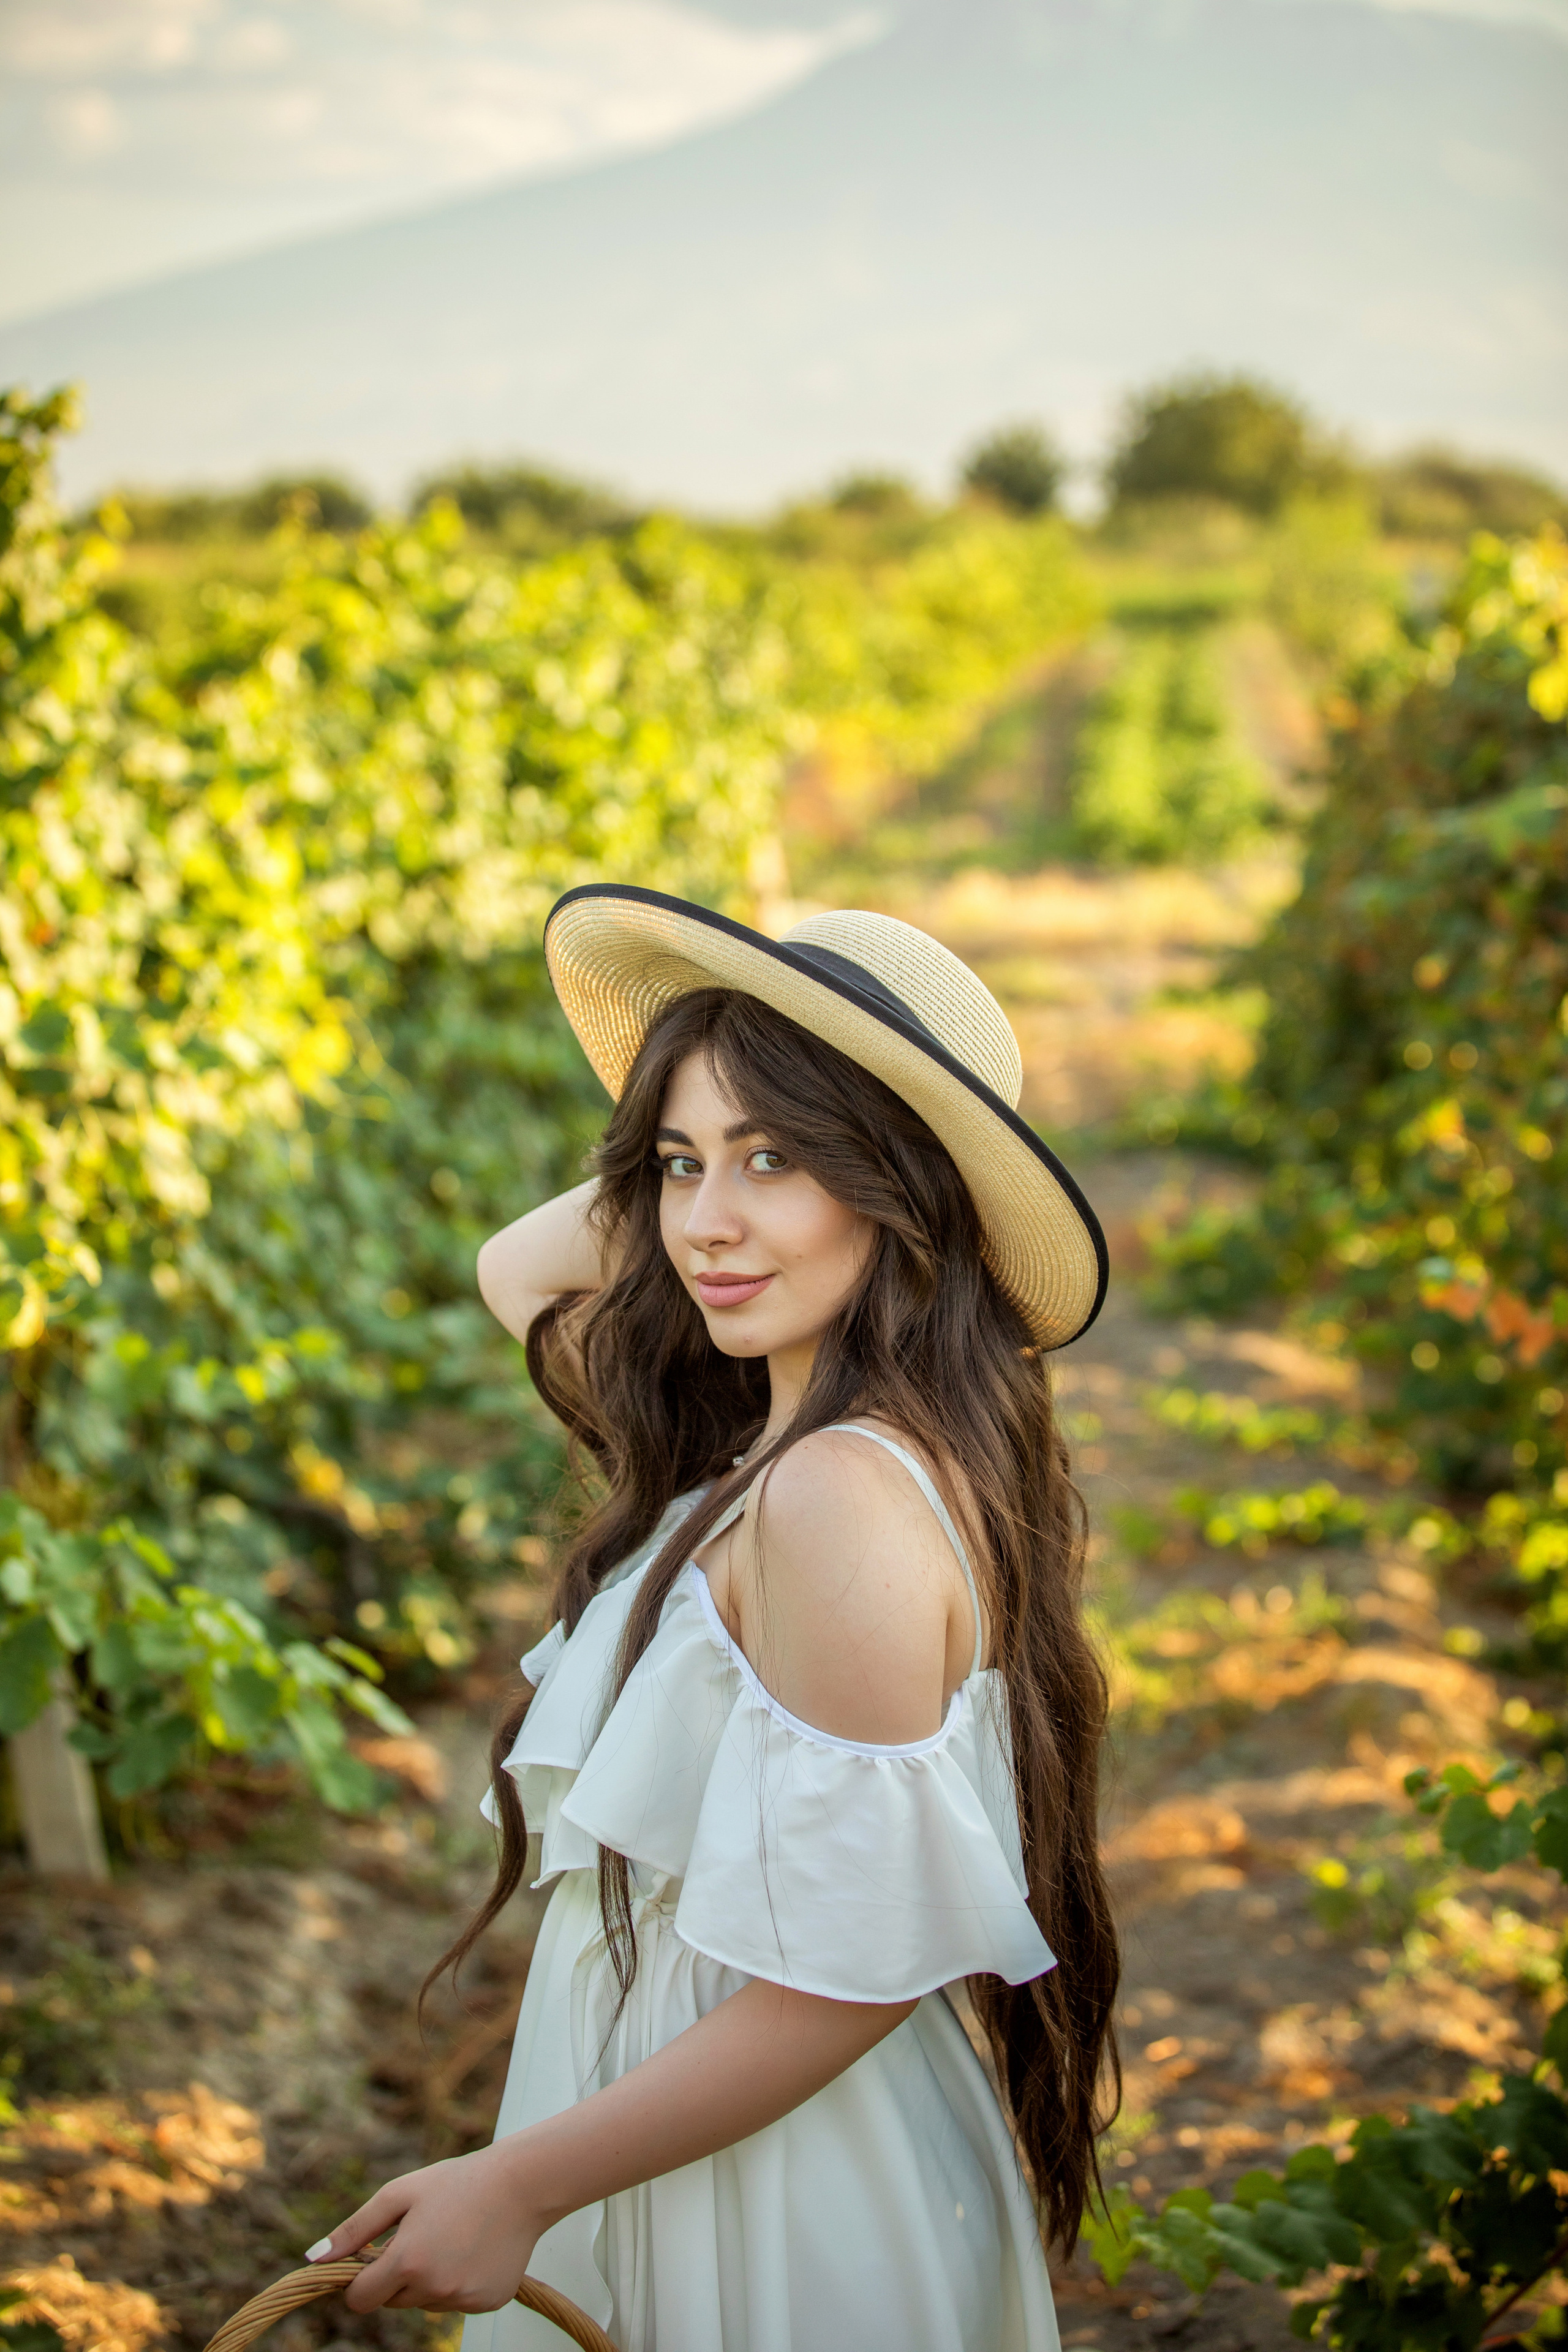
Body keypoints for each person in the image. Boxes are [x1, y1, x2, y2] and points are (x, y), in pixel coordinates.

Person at [307, 887, 1120, 2351]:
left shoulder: (834, 1497)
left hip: (770, 2187)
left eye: (777, 1160)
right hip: (693, 2131)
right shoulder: (784, 1442)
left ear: (901, 1186)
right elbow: (517, 1271)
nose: (702, 1226)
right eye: (677, 1166)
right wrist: (709, 1123)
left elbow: (852, 1970)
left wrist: (518, 2185)